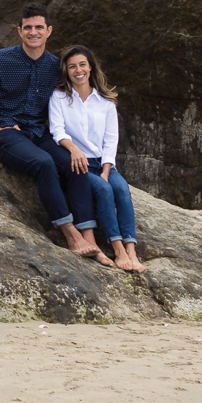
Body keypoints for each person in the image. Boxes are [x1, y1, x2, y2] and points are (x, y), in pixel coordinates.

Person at [0, 4, 105, 261]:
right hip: (7, 132)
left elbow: (76, 96)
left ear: (49, 31)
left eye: (39, 27)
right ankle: (70, 234)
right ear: (19, 31)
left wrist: (76, 145)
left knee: (78, 165)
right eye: (27, 27)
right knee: (44, 164)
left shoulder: (55, 67)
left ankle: (89, 237)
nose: (33, 32)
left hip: (41, 132)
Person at [50, 46, 145, 272]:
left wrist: (106, 169)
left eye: (82, 64)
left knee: (121, 190)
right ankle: (117, 248)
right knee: (104, 191)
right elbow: (57, 130)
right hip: (79, 163)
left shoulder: (105, 102)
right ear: (66, 70)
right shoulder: (59, 97)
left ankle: (131, 249)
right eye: (72, 66)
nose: (78, 70)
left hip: (103, 163)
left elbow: (111, 140)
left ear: (91, 67)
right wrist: (73, 149)